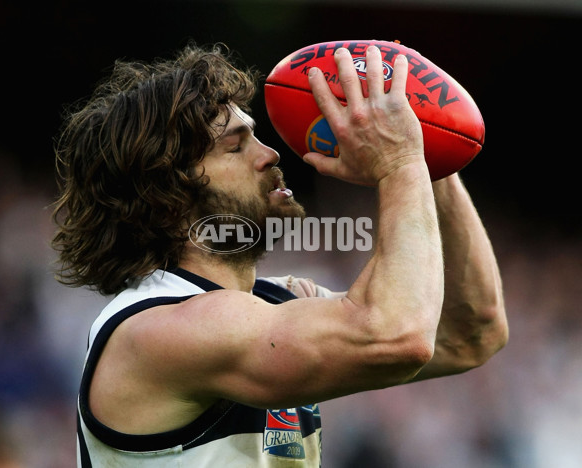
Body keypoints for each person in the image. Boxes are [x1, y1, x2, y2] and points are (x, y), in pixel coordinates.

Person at [52, 43, 508, 467]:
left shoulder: (271, 306)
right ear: (164, 198)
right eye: (235, 146)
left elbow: (471, 333)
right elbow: (397, 336)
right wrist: (398, 162)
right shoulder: (158, 331)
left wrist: (426, 148)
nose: (269, 154)